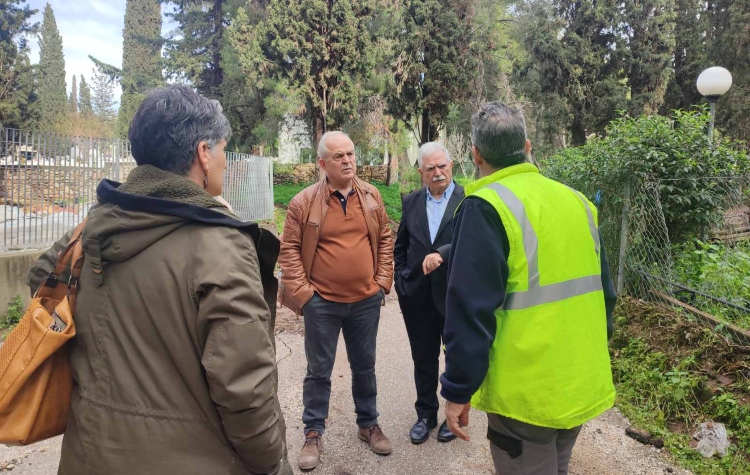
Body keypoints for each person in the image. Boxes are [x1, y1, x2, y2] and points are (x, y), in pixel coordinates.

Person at [27, 85, 291, 475]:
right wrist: (272, 461)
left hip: (88, 453)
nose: (225, 162)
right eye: (222, 150)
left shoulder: (95, 228)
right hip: (193, 459)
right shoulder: (220, 245)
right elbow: (244, 387)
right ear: (203, 153)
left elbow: (41, 281)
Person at [440, 102, 617, 475]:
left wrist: (458, 389)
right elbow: (606, 293)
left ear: (476, 155)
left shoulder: (485, 207)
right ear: (527, 147)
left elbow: (470, 310)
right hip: (578, 379)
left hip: (527, 394)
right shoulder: (577, 202)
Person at [278, 131, 394, 471]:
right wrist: (305, 295)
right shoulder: (303, 202)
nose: (347, 161)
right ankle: (313, 432)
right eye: (338, 156)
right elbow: (289, 250)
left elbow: (385, 239)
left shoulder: (371, 196)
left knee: (364, 365)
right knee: (318, 371)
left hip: (365, 301)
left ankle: (368, 423)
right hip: (322, 303)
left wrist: (381, 283)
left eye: (350, 154)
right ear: (322, 163)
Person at [394, 142, 464, 444]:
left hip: (454, 294)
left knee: (455, 358)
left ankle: (454, 415)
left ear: (451, 166)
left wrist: (442, 254)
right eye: (431, 168)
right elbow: (401, 246)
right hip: (417, 295)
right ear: (421, 172)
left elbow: (471, 243)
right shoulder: (411, 201)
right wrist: (401, 280)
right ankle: (425, 414)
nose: (437, 173)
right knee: (423, 357)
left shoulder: (468, 200)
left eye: (442, 166)